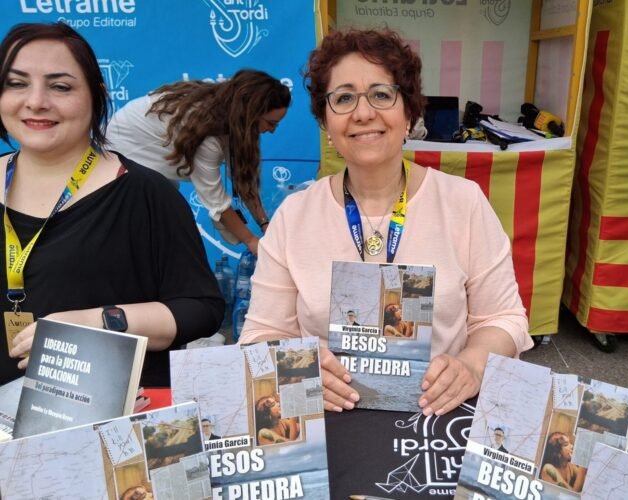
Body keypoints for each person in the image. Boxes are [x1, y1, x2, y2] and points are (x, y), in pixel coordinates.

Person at [239, 28, 533, 416]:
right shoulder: (294, 216)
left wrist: (472, 364)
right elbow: (261, 334)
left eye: (381, 94)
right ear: (326, 123)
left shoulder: (463, 204)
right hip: (327, 417)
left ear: (409, 112)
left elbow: (504, 318)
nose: (363, 113)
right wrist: (295, 371)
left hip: (436, 414)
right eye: (344, 98)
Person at [0, 22, 224, 387]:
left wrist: (95, 323)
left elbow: (201, 309)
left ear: (96, 95)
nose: (36, 101)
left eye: (60, 86)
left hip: (106, 430)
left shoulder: (146, 194)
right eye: (16, 83)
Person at [106, 69, 291, 254]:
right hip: (125, 149)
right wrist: (252, 242)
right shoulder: (204, 132)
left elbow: (243, 180)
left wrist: (265, 225)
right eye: (271, 123)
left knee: (163, 221)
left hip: (144, 149)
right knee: (150, 226)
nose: (272, 130)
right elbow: (216, 202)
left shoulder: (233, 118)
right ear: (251, 114)